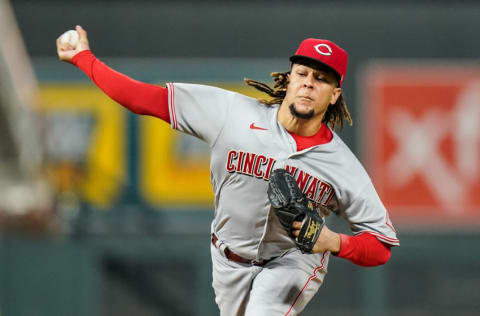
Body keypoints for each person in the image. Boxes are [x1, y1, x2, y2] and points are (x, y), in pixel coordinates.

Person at [57, 26, 399, 316]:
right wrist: (84, 59)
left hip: (292, 261)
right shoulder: (231, 114)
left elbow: (381, 245)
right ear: (289, 77)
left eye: (322, 79)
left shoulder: (342, 165)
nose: (309, 84)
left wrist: (333, 242)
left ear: (335, 93)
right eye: (303, 73)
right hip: (227, 258)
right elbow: (144, 99)